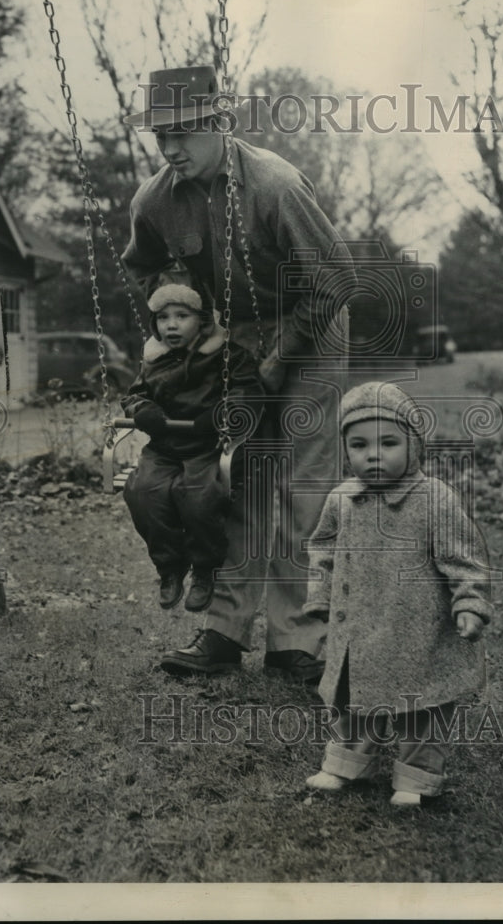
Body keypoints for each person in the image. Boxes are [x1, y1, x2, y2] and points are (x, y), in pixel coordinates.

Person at [122, 65, 356, 681]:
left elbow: (336, 281)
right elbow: (142, 268)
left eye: (184, 133)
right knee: (237, 479)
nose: (171, 148)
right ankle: (223, 634)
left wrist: (280, 360)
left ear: (219, 125)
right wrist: (180, 316)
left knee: (304, 489)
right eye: (159, 136)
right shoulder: (153, 199)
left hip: (313, 328)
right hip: (236, 339)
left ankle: (297, 641)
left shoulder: (275, 186)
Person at [303, 381, 493, 805]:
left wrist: (470, 603)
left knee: (421, 704)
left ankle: (416, 777)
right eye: (359, 445)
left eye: (388, 442)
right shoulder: (342, 499)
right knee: (353, 699)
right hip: (360, 630)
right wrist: (321, 597)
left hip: (418, 630)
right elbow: (324, 551)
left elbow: (466, 559)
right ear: (346, 450)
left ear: (415, 446)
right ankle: (344, 764)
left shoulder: (434, 500)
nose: (373, 454)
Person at [122, 283, 264, 615]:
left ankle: (204, 569)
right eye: (162, 318)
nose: (170, 325)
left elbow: (247, 393)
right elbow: (133, 395)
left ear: (202, 321)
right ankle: (170, 567)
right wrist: (143, 410)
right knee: (142, 492)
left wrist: (217, 415)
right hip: (164, 448)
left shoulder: (227, 356)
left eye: (181, 316)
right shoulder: (154, 361)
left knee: (198, 497)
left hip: (209, 446)